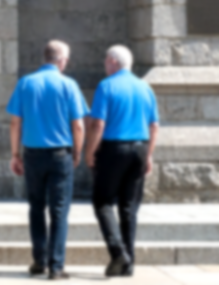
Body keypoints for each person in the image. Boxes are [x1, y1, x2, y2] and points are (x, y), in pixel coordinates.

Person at [6, 39, 88, 281]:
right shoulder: (69, 84)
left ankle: (39, 261)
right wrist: (77, 152)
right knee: (59, 211)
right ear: (61, 60)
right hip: (60, 155)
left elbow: (15, 122)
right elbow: (79, 126)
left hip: (32, 155)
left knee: (36, 208)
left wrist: (15, 154)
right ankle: (56, 266)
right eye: (67, 59)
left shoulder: (26, 83)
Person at [86, 45, 160, 278]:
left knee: (102, 201)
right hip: (140, 148)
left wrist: (90, 151)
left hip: (113, 149)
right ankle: (129, 264)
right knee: (129, 208)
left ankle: (118, 253)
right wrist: (148, 155)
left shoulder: (106, 85)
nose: (104, 65)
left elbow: (98, 124)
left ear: (113, 61)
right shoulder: (145, 87)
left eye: (106, 61)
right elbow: (154, 125)